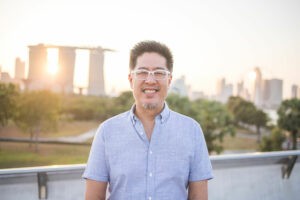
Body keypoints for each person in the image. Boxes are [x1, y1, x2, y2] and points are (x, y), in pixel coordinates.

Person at [83, 40, 213, 200]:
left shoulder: (192, 131)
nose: (150, 80)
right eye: (142, 72)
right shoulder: (106, 132)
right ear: (131, 80)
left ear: (169, 80)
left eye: (159, 73)